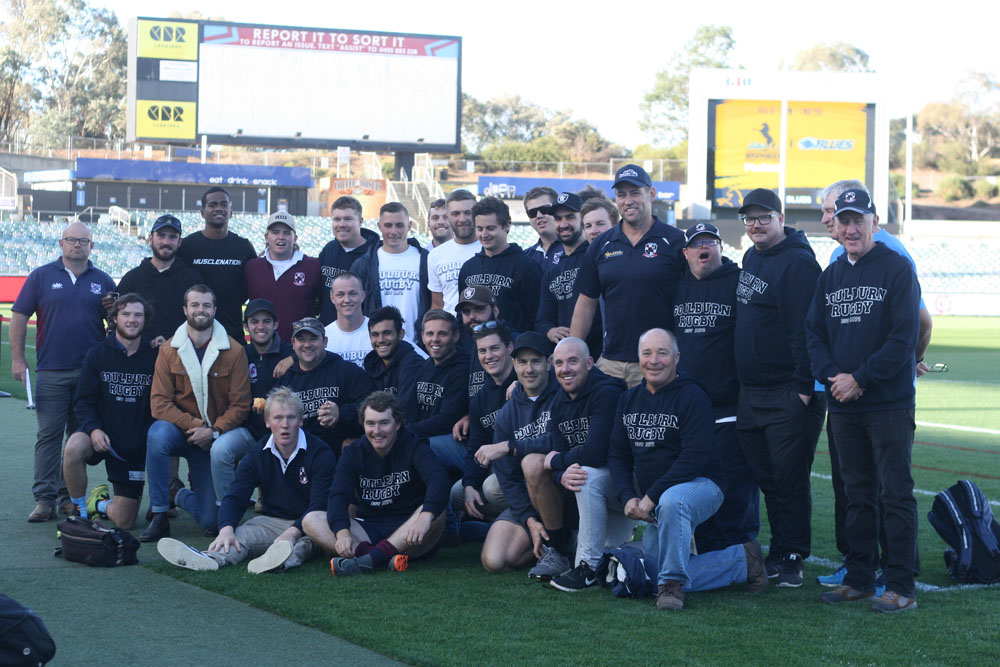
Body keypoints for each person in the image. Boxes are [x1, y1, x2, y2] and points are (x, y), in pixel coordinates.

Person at [806, 188, 922, 613]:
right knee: (855, 494)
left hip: (887, 404)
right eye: (844, 221)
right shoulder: (831, 274)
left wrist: (860, 379)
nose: (851, 228)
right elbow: (813, 334)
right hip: (843, 404)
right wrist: (834, 377)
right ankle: (859, 578)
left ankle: (901, 586)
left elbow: (904, 337)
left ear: (874, 222)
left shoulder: (897, 268)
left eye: (859, 220)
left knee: (895, 494)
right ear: (835, 226)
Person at [608, 329, 767, 611]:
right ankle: (743, 561)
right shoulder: (628, 400)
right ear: (638, 358)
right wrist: (627, 497)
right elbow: (617, 455)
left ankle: (671, 586)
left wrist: (651, 496)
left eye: (662, 353)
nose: (654, 360)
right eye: (647, 353)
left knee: (673, 502)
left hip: (703, 484)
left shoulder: (693, 396)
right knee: (653, 572)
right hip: (658, 498)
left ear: (676, 358)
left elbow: (694, 458)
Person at [733, 187, 825, 588]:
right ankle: (780, 546)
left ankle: (792, 555)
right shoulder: (752, 256)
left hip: (787, 389)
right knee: (767, 477)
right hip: (753, 390)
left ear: (781, 218)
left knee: (789, 477)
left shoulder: (798, 264)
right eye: (750, 219)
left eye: (764, 218)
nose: (756, 225)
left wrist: (803, 388)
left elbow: (806, 331)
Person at [157, 387, 335, 573]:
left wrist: (292, 532)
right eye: (278, 418)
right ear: (267, 422)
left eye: (291, 417)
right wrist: (226, 529)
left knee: (304, 544)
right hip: (271, 522)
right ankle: (210, 558)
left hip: (310, 523)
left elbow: (319, 504)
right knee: (237, 535)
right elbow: (236, 496)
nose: (285, 425)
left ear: (301, 421)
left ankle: (282, 560)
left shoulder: (320, 452)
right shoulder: (258, 453)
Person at [11, 221, 116, 522]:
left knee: (78, 438)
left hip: (89, 374)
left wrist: (113, 309)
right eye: (71, 239)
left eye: (83, 241)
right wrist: (18, 359)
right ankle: (44, 500)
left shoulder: (103, 280)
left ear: (91, 246)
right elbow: (19, 316)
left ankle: (69, 498)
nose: (76, 245)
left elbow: (118, 324)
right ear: (61, 243)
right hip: (51, 370)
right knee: (49, 436)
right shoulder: (41, 276)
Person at [514, 337, 631, 592]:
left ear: (589, 363)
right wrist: (560, 475)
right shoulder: (560, 401)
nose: (565, 369)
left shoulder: (607, 393)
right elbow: (559, 455)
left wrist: (557, 463)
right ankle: (560, 551)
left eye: (573, 361)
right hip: (587, 485)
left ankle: (587, 568)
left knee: (585, 474)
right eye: (559, 363)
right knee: (543, 465)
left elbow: (596, 453)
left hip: (624, 484)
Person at [673, 222, 760, 553]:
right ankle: (707, 547)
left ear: (721, 247)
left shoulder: (738, 282)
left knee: (734, 478)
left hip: (729, 402)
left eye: (710, 241)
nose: (703, 248)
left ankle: (741, 548)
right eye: (696, 244)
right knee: (696, 477)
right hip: (689, 405)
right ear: (686, 253)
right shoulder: (677, 285)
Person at [142, 285, 253, 541]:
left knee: (210, 522)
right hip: (181, 431)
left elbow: (240, 405)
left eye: (206, 305)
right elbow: (159, 403)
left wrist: (213, 431)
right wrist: (195, 425)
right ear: (185, 309)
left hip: (212, 438)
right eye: (194, 305)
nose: (200, 310)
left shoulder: (234, 350)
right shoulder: (169, 350)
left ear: (215, 309)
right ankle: (159, 513)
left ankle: (177, 493)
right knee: (157, 434)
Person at [302, 392, 450, 576]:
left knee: (436, 511)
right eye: (370, 423)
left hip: (408, 529)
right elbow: (338, 496)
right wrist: (343, 533)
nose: (377, 431)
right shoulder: (353, 452)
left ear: (397, 424)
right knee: (311, 519)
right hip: (369, 528)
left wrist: (425, 518)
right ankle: (376, 557)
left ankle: (366, 559)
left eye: (384, 423)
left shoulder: (414, 445)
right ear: (363, 424)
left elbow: (439, 481)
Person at [571, 164, 685, 388]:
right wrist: (573, 351)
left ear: (651, 194)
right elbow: (586, 303)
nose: (628, 200)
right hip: (611, 362)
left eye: (635, 193)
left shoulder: (675, 241)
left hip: (658, 363)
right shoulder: (601, 245)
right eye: (621, 194)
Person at [63, 294, 157, 529]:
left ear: (145, 320)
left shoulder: (156, 356)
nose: (132, 320)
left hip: (132, 445)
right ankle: (79, 511)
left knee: (125, 522)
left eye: (138, 315)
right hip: (100, 434)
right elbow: (83, 401)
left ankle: (99, 503)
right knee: (74, 447)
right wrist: (94, 429)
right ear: (114, 318)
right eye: (126, 314)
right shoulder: (97, 354)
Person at [474, 332, 559, 574]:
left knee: (533, 462)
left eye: (535, 361)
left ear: (549, 362)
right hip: (531, 499)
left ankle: (561, 542)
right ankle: (545, 536)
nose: (529, 369)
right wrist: (529, 520)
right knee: (494, 561)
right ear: (514, 364)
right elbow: (508, 478)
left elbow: (561, 441)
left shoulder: (563, 395)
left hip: (563, 492)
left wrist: (511, 446)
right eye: (522, 362)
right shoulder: (507, 413)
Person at [451, 321, 517, 530]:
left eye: (494, 348)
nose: (488, 356)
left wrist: (523, 388)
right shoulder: (480, 398)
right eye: (482, 351)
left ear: (510, 347)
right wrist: (470, 484)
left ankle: (522, 524)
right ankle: (504, 524)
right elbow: (476, 446)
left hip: (526, 466)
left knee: (490, 488)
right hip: (499, 468)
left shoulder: (526, 382)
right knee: (458, 493)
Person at [279, 317, 374, 454]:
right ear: (293, 343)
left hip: (338, 454)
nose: (307, 345)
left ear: (325, 341)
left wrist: (340, 415)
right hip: (299, 454)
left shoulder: (346, 371)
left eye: (313, 338)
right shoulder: (285, 380)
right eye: (301, 339)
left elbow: (371, 406)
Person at [175, 187, 258, 341]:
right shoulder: (187, 247)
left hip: (232, 335)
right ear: (202, 212)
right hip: (193, 337)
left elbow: (251, 287)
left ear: (231, 212)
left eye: (224, 204)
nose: (219, 208)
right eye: (212, 205)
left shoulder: (244, 247)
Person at [458, 196, 542, 335]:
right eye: (479, 229)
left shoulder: (525, 267)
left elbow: (536, 318)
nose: (484, 234)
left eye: (490, 228)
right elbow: (461, 317)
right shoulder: (468, 268)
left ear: (507, 225)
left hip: (512, 345)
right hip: (475, 346)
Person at [116, 214, 202, 346]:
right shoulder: (132, 279)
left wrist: (172, 343)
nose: (166, 242)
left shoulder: (193, 279)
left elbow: (201, 321)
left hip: (180, 353)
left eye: (172, 237)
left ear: (179, 242)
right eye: (161, 236)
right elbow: (119, 321)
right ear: (151, 239)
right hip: (139, 355)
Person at [535, 192, 603, 359]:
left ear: (583, 219)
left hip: (601, 356)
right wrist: (550, 331)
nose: (563, 224)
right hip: (567, 360)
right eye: (558, 219)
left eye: (570, 217)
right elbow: (542, 321)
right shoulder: (552, 273)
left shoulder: (597, 258)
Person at [409, 310, 469, 494]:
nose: (435, 339)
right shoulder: (425, 366)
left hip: (455, 442)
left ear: (456, 336)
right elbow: (412, 409)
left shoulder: (462, 368)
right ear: (422, 336)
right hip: (427, 435)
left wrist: (406, 432)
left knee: (415, 448)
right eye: (430, 334)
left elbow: (447, 419)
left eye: (442, 334)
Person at [351, 202, 430, 342]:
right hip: (378, 345)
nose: (394, 231)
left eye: (399, 225)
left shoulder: (426, 260)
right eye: (388, 225)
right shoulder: (364, 264)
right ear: (379, 226)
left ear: (409, 226)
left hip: (417, 345)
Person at [244, 210, 324, 341]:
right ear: (266, 237)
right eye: (275, 232)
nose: (281, 237)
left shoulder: (313, 266)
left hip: (300, 348)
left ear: (295, 238)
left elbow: (322, 305)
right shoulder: (252, 267)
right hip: (262, 347)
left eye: (286, 233)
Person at [318, 195, 380, 325]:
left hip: (364, 330)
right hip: (328, 329)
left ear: (360, 221)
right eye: (337, 219)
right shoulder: (329, 249)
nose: (341, 224)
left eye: (348, 219)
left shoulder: (375, 254)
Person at [243, 298, 293, 442]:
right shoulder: (241, 354)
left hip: (283, 429)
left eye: (266, 321)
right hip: (248, 430)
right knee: (221, 449)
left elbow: (313, 354)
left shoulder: (290, 352)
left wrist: (294, 358)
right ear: (246, 326)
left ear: (275, 324)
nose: (261, 326)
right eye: (254, 322)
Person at [428, 189, 481, 314]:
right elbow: (437, 305)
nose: (462, 219)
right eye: (456, 213)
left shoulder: (489, 249)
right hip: (450, 325)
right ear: (448, 217)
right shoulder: (435, 255)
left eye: (468, 213)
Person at [324, 272, 373, 367]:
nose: (347, 300)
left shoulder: (378, 333)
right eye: (340, 295)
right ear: (332, 298)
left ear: (363, 296)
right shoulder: (324, 337)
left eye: (352, 293)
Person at [522, 185, 563, 271]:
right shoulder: (525, 257)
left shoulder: (575, 248)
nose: (539, 216)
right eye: (532, 212)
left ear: (557, 209)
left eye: (545, 209)